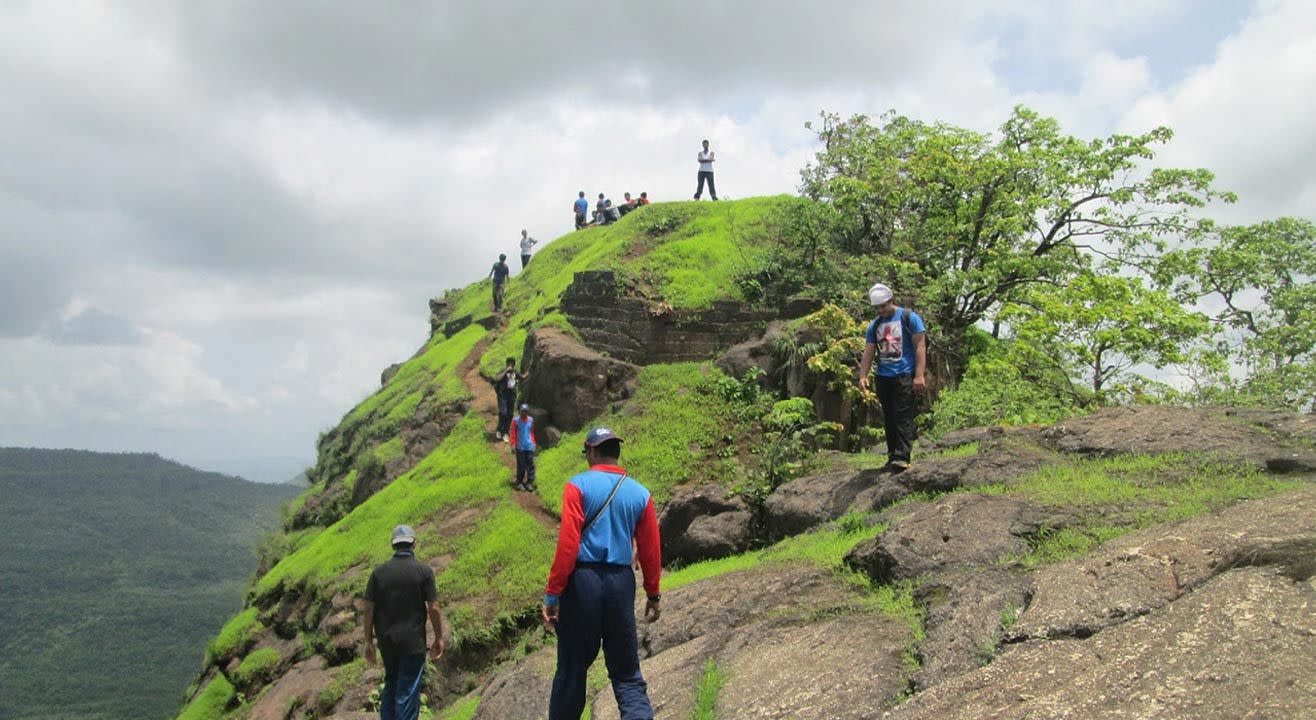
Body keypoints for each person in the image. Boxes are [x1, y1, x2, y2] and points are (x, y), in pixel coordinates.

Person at [543, 428, 661, 720]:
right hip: (621, 582)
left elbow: (568, 545)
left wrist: (553, 593)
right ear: (615, 452)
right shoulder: (640, 493)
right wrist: (653, 593)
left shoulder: (577, 486)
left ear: (592, 452)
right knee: (626, 672)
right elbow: (650, 549)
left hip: (582, 582)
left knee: (571, 670)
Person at [362, 524, 445, 720]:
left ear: (393, 546)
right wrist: (439, 637)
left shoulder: (378, 573)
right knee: (407, 691)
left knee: (391, 683)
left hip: (387, 642)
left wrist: (368, 641)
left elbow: (368, 608)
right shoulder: (423, 571)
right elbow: (433, 607)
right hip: (413, 643)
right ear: (414, 544)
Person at [857, 282, 927, 472]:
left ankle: (903, 456)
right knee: (889, 417)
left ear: (891, 301)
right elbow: (869, 351)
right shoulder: (875, 325)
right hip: (883, 376)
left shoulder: (909, 318)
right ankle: (892, 455)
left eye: (883, 306)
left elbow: (920, 346)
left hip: (904, 374)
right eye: (877, 308)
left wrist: (919, 375)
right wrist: (863, 375)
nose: (880, 310)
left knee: (903, 415)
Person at [492, 357, 526, 440]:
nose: (511, 365)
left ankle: (506, 432)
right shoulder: (503, 372)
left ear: (514, 365)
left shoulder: (515, 372)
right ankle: (499, 430)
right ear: (506, 364)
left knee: (510, 414)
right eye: (509, 363)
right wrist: (506, 370)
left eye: (512, 364)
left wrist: (532, 368)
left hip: (512, 396)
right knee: (503, 413)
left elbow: (523, 377)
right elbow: (498, 378)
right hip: (503, 395)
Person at [508, 403, 538, 491]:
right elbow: (512, 433)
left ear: (527, 412)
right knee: (521, 465)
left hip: (529, 446)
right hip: (520, 446)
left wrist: (534, 443)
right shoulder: (515, 421)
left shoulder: (531, 420)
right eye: (522, 411)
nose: (523, 413)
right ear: (519, 411)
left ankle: (529, 482)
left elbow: (531, 432)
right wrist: (513, 444)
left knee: (530, 465)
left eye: (525, 411)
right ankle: (519, 482)